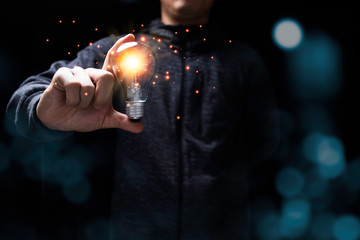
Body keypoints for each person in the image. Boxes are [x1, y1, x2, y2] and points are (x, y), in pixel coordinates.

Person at [7, 0, 280, 239]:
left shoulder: (243, 63)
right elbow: (24, 101)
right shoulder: (119, 53)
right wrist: (41, 112)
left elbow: (267, 149)